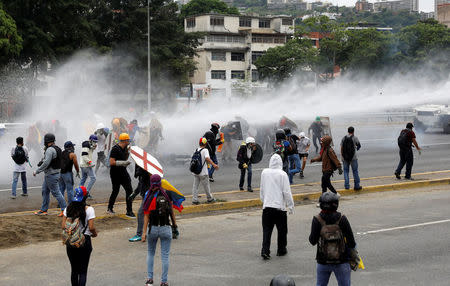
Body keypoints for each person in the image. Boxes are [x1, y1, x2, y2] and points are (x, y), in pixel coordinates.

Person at [309, 192, 356, 286]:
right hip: (342, 261)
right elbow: (351, 242)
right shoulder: (342, 218)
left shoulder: (317, 219)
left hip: (323, 261)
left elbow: (312, 241)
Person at [142, 174, 178, 286]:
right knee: (165, 256)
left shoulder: (148, 195)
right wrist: (175, 227)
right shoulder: (167, 194)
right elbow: (171, 212)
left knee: (150, 253)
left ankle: (149, 279)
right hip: (166, 228)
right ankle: (164, 281)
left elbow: (146, 216)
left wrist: (143, 233)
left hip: (152, 229)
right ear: (160, 183)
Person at [260, 153, 294, 260]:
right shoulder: (283, 174)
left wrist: (264, 200)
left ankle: (265, 251)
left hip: (267, 207)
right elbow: (287, 192)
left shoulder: (264, 173)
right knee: (282, 230)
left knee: (267, 230)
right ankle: (281, 250)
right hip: (279, 208)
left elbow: (262, 189)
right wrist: (291, 205)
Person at [62, 186, 97, 286]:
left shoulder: (68, 208)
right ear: (85, 197)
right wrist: (95, 234)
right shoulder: (89, 209)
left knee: (74, 270)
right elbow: (91, 228)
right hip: (84, 241)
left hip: (71, 241)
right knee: (83, 271)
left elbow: (63, 226)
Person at [34, 133, 67, 216]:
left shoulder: (49, 150)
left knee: (56, 193)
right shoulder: (58, 148)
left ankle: (65, 210)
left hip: (51, 175)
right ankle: (44, 210)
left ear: (46, 141)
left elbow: (46, 163)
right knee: (45, 191)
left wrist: (37, 171)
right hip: (53, 174)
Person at [107, 133, 135, 217]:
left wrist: (127, 152)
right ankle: (110, 207)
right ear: (125, 140)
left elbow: (125, 158)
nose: (129, 141)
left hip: (123, 172)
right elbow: (111, 162)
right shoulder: (115, 149)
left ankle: (129, 211)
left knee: (129, 190)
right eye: (128, 140)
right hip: (115, 173)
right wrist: (123, 163)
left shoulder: (124, 148)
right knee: (115, 190)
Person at [192, 138, 218, 205]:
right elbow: (207, 158)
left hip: (196, 172)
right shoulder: (205, 150)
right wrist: (214, 164)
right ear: (205, 143)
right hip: (203, 173)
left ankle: (195, 200)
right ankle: (210, 198)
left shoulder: (196, 150)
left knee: (195, 186)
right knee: (206, 186)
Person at [129, 164, 151, 242]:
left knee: (141, 213)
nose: (137, 170)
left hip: (148, 195)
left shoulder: (146, 173)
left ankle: (140, 234)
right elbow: (140, 185)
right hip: (145, 195)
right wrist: (134, 193)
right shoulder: (142, 174)